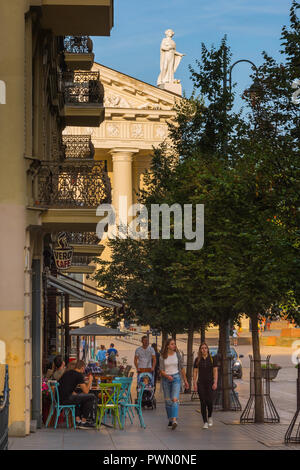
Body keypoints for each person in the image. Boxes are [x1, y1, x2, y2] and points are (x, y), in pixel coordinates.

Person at [160, 338, 189, 430]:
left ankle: (175, 420)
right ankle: (170, 419)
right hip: (166, 380)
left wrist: (185, 381)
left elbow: (182, 368)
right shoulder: (162, 356)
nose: (174, 346)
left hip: (176, 378)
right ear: (167, 346)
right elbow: (161, 370)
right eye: (172, 344)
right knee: (168, 401)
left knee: (174, 399)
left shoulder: (177, 355)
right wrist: (167, 376)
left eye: (174, 344)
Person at [58, 359, 95, 429]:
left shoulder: (68, 372)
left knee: (78, 396)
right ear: (82, 368)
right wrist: (90, 380)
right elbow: (86, 391)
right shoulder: (79, 375)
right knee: (91, 397)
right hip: (66, 399)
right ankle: (83, 422)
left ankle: (78, 420)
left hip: (59, 399)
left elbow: (65, 386)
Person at [193, 343, 218, 429]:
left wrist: (215, 382)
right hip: (201, 383)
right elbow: (195, 372)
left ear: (208, 349)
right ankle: (205, 422)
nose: (204, 349)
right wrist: (194, 383)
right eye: (202, 348)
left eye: (205, 348)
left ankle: (210, 416)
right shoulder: (197, 360)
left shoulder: (212, 359)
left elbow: (215, 371)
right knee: (203, 402)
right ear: (200, 350)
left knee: (210, 402)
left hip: (210, 383)